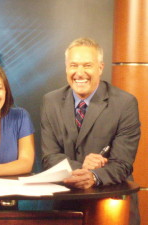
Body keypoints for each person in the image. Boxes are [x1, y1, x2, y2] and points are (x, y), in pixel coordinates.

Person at [41, 37, 141, 225]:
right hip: (65, 207)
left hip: (111, 207)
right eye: (73, 65)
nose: (80, 73)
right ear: (66, 68)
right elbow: (49, 158)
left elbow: (123, 164)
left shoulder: (125, 104)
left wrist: (94, 177)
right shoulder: (51, 101)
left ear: (100, 68)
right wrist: (83, 169)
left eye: (87, 65)